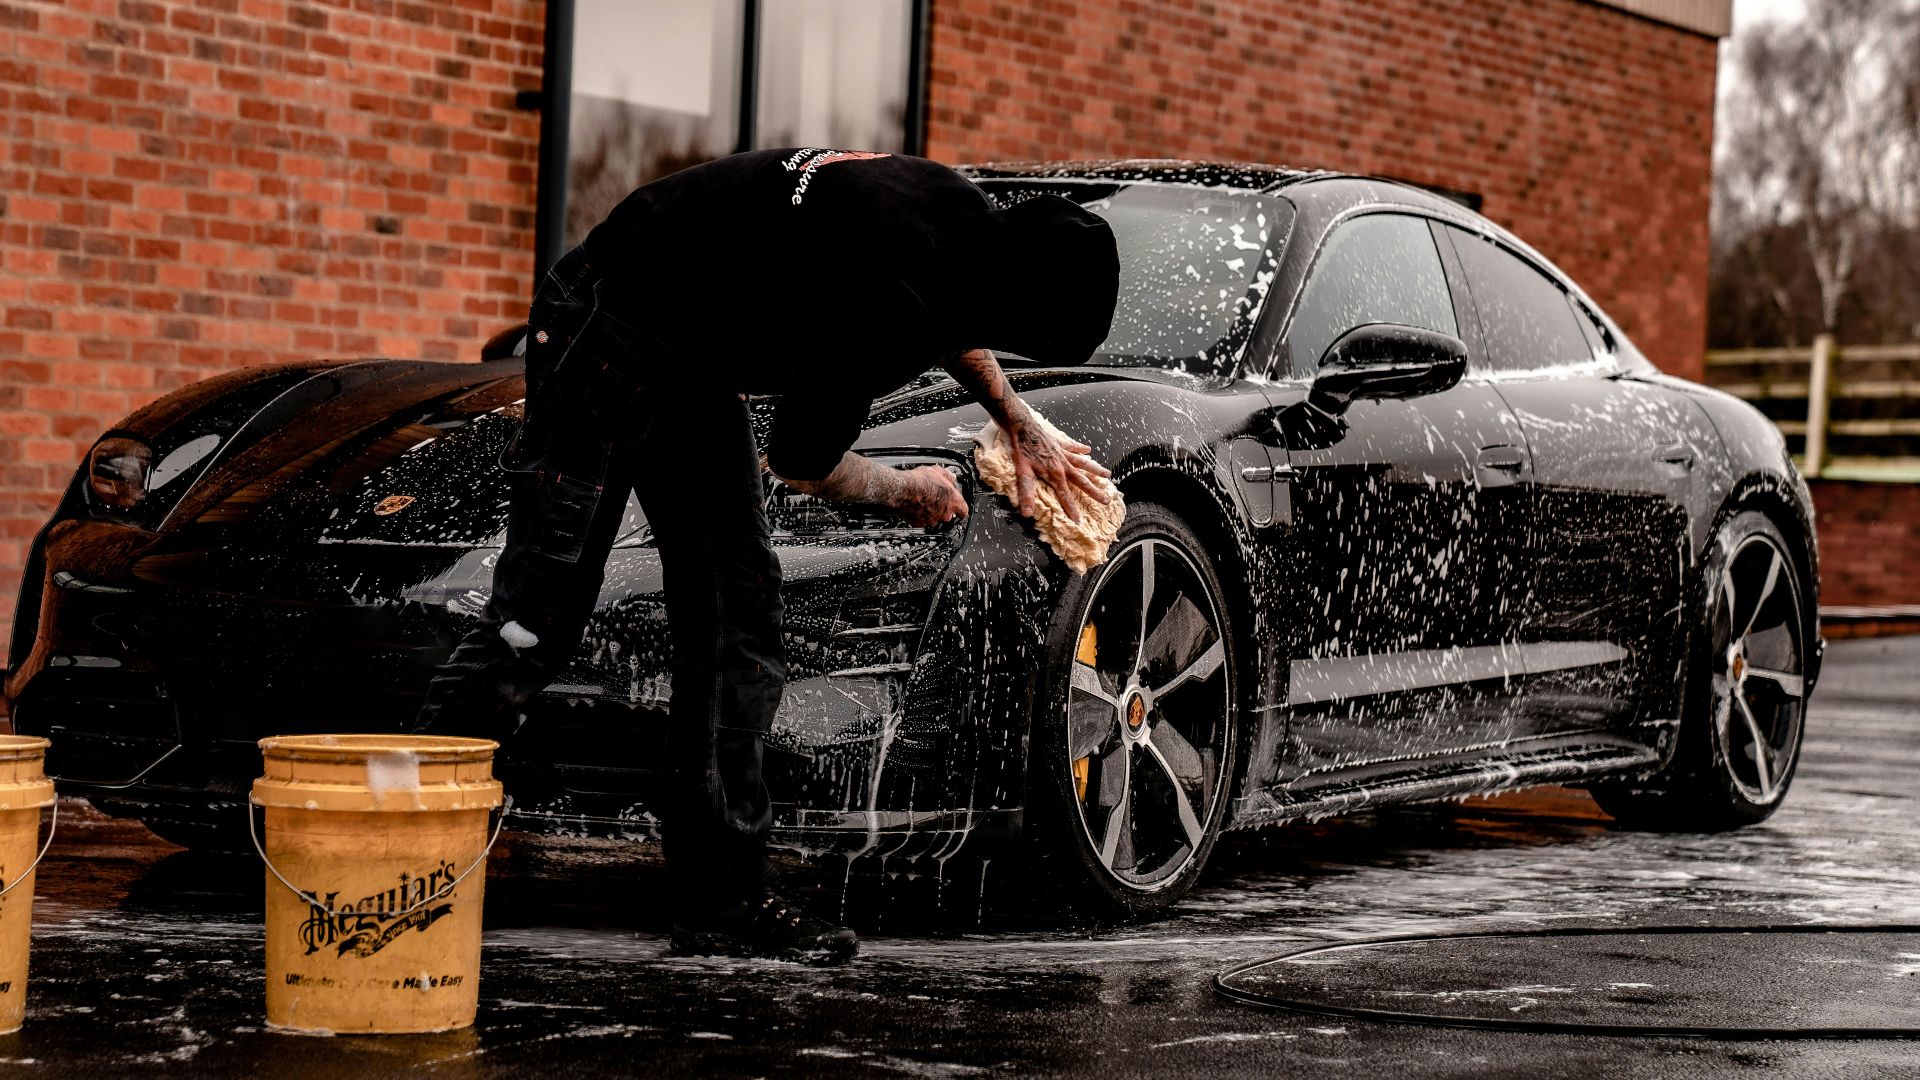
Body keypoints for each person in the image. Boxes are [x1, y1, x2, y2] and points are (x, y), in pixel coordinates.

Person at [413, 148, 1120, 965]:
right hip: (605, 321)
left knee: (735, 610)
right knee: (536, 617)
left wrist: (1015, 417)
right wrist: (908, 490)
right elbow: (803, 463)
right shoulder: (882, 303)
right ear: (1016, 310)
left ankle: (724, 898)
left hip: (688, 349)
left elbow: (953, 307)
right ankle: (398, 859)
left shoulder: (954, 207)